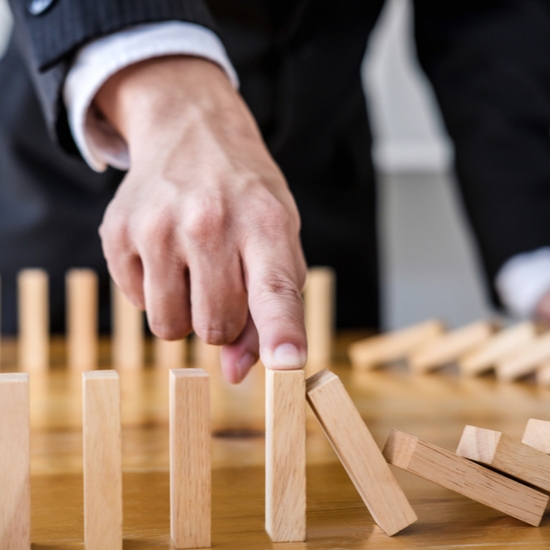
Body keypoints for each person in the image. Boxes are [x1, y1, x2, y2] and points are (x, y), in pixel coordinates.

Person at [2, 0, 550, 383]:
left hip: (321, 194)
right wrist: (167, 95)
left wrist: (540, 258)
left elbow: (491, 15)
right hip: (75, 208)